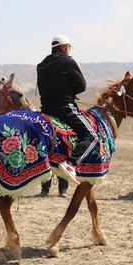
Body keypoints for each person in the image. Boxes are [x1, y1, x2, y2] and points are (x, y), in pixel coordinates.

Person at [36, 34, 97, 185]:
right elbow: (81, 86)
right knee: (92, 136)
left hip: (46, 110)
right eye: (69, 47)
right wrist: (70, 93)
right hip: (64, 109)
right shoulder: (68, 61)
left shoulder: (41, 64)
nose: (69, 50)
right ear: (64, 47)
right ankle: (70, 164)